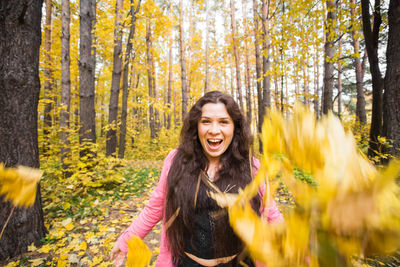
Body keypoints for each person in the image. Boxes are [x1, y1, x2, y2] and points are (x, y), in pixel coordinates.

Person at [110, 91, 283, 266]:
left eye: (224, 122)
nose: (214, 130)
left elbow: (272, 215)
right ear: (196, 126)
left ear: (235, 128)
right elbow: (155, 207)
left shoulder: (251, 167)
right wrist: (126, 241)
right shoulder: (175, 161)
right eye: (206, 121)